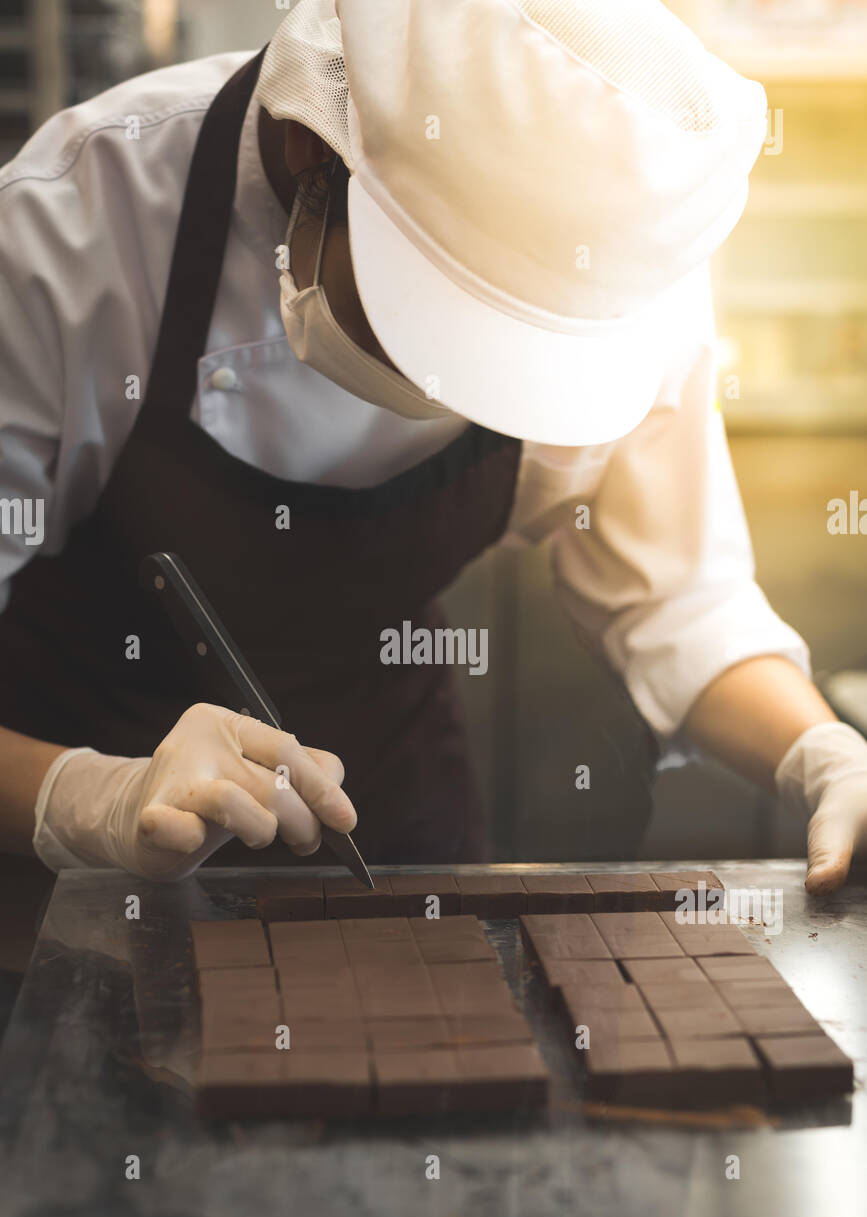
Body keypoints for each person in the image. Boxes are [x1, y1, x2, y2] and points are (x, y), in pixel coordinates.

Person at [0, 0, 865, 944]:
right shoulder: (72, 229)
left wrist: (821, 754)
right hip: (66, 888)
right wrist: (93, 801)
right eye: (432, 331)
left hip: (394, 837)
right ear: (309, 152)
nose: (461, 400)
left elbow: (679, 602)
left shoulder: (618, 259)